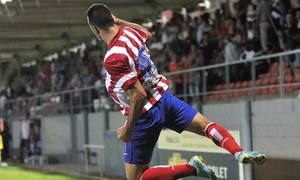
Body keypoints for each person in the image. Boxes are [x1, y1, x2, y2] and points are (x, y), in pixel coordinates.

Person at [87, 4, 266, 180]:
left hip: (143, 115)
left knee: (137, 177)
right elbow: (146, 32)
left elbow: (138, 94)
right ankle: (239, 152)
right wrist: (119, 21)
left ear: (95, 29)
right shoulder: (131, 32)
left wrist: (128, 128)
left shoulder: (114, 57)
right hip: (165, 99)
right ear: (112, 19)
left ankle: (191, 168)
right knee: (205, 125)